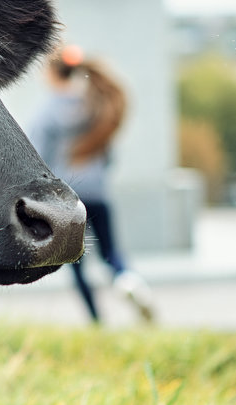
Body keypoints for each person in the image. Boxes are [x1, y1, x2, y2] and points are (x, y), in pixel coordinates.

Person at [27, 45, 153, 323]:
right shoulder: (94, 107)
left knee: (77, 263)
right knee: (111, 254)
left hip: (68, 199)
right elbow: (107, 156)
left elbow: (37, 158)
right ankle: (128, 281)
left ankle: (96, 319)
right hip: (99, 193)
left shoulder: (47, 110)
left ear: (52, 74)